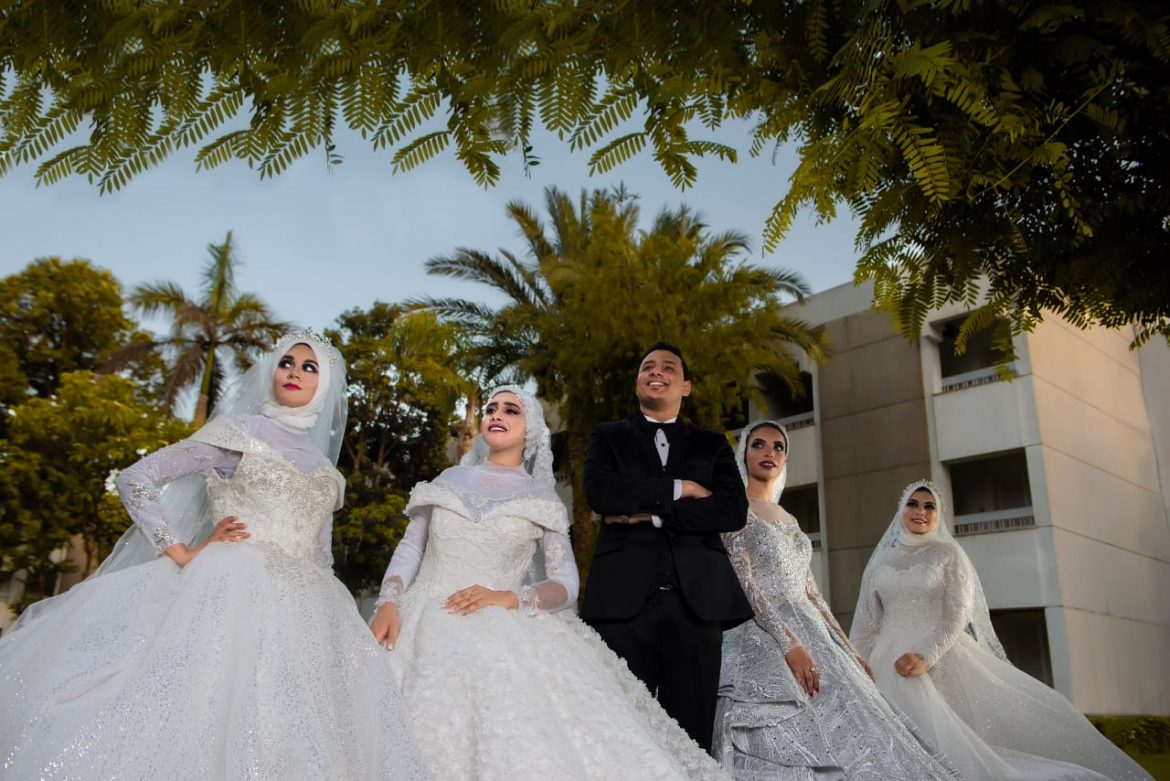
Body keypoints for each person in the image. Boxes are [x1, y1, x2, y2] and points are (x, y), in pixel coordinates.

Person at [0, 332, 428, 780]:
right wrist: (179, 549)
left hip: (309, 608)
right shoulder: (238, 433)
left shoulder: (327, 474)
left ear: (325, 386)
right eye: (286, 362)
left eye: (309, 367)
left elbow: (321, 555)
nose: (294, 372)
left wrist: (329, 621)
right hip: (233, 589)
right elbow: (136, 479)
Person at [369, 385, 725, 780]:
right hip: (418, 620)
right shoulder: (448, 480)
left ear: (531, 431)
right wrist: (389, 601)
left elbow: (565, 584)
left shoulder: (540, 498)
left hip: (499, 623)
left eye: (511, 410)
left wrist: (508, 597)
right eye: (491, 408)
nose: (497, 414)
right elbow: (410, 548)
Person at [850, 480, 1153, 781]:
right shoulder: (881, 561)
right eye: (913, 504)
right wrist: (855, 662)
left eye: (930, 506)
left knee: (944, 748)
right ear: (901, 510)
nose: (920, 512)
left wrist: (925, 657)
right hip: (883, 664)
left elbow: (957, 615)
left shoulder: (948, 555)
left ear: (938, 514)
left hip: (933, 662)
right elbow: (865, 622)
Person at [712, 421, 956, 779]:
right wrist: (789, 645)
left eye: (779, 447)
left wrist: (849, 650)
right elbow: (747, 586)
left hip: (813, 631)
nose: (769, 453)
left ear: (785, 459)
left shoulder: (790, 519)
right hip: (763, 631)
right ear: (744, 453)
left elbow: (811, 593)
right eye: (759, 444)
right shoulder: (735, 511)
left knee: (862, 720)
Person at [581, 342, 753, 751]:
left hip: (697, 606)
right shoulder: (608, 436)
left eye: (668, 367)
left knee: (691, 738)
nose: (656, 372)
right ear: (638, 382)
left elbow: (732, 510)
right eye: (648, 367)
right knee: (620, 734)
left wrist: (650, 513)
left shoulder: (712, 444)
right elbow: (601, 493)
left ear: (686, 386)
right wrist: (683, 489)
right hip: (620, 603)